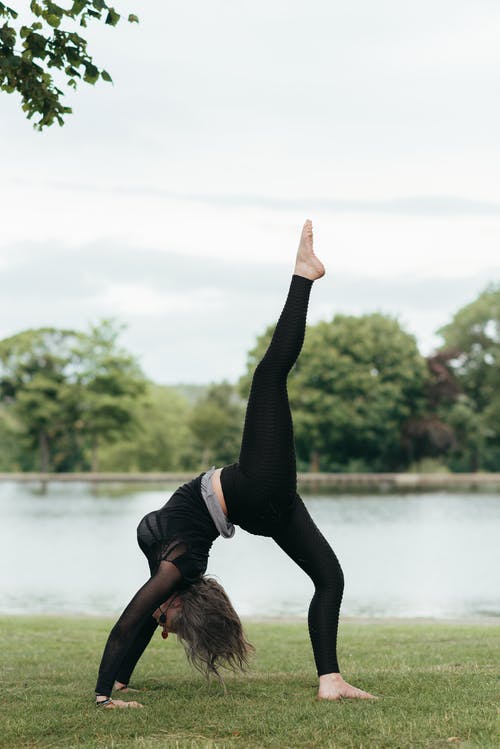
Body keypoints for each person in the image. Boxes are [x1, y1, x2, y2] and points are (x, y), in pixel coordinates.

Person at [95, 221, 377, 708]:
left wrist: (115, 682)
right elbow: (131, 619)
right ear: (181, 600)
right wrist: (105, 694)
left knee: (330, 578)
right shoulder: (174, 568)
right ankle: (303, 276)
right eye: (170, 623)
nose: (162, 624)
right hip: (256, 493)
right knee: (268, 376)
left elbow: (137, 618)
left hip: (264, 507)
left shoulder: (167, 567)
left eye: (163, 621)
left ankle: (330, 680)